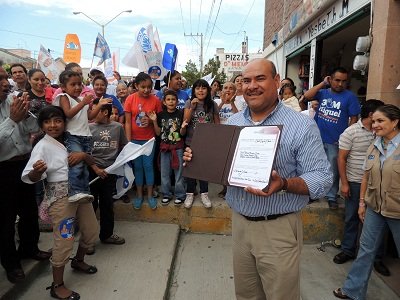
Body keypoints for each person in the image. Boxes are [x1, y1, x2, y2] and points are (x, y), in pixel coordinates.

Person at [184, 59, 332, 300]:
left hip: (278, 228)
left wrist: (283, 184)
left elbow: (322, 179)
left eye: (259, 78)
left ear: (276, 81)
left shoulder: (301, 125)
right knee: (246, 295)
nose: (251, 86)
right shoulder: (233, 123)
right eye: (246, 80)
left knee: (281, 296)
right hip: (240, 224)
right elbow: (222, 169)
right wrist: (198, 158)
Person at [21, 106, 98, 300]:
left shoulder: (73, 140)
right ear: (42, 125)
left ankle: (78, 261)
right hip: (61, 197)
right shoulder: (42, 146)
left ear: (64, 122)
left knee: (91, 230)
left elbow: (89, 159)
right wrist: (37, 171)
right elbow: (29, 175)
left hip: (80, 192)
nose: (53, 125)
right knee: (64, 239)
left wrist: (83, 156)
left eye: (57, 120)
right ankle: (57, 285)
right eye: (48, 122)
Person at [333, 104, 400, 300]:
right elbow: (366, 176)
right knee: (365, 250)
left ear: (395, 122)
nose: (375, 125)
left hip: (397, 210)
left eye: (381, 121)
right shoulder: (375, 144)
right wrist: (362, 203)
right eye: (374, 121)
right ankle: (353, 291)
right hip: (375, 208)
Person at [0, 66, 51, 284]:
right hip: (3, 170)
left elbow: (32, 127)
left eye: (4, 77)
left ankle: (30, 249)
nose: (5, 82)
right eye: (0, 79)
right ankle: (11, 264)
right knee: (5, 220)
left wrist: (28, 113)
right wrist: (12, 120)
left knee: (29, 212)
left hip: (24, 164)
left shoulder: (14, 99)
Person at [304, 67, 361, 209]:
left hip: (335, 141)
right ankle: (313, 194)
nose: (340, 84)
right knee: (313, 167)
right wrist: (323, 83)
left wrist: (346, 137)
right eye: (337, 80)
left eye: (344, 81)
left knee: (333, 170)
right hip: (316, 139)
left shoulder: (350, 97)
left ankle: (331, 196)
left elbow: (354, 117)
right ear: (331, 79)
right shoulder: (323, 93)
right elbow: (308, 96)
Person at [53, 70, 111, 203]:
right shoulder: (63, 97)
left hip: (85, 136)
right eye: (73, 84)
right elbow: (68, 113)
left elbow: (90, 116)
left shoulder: (79, 100)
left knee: (84, 166)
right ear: (63, 86)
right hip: (73, 135)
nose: (78, 87)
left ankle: (84, 191)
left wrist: (99, 105)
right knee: (76, 165)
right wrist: (84, 103)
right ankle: (75, 192)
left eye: (79, 84)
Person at [89, 99, 127, 254]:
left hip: (109, 172)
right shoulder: (88, 128)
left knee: (107, 204)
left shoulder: (118, 128)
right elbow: (84, 152)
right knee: (91, 207)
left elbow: (124, 146)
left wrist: (117, 163)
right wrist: (96, 168)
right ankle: (88, 241)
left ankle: (107, 234)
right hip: (92, 171)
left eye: (95, 109)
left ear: (105, 112)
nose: (91, 113)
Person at [124, 72, 162, 210]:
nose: (146, 90)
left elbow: (158, 120)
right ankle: (139, 196)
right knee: (138, 168)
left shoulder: (156, 100)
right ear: (136, 86)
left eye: (148, 87)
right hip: (134, 141)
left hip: (149, 141)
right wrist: (129, 142)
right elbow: (127, 123)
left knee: (148, 167)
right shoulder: (130, 99)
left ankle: (150, 195)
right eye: (143, 87)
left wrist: (152, 122)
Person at [183, 79, 220, 209]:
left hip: (206, 142)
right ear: (193, 90)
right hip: (190, 141)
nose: (200, 90)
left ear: (208, 90)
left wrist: (215, 141)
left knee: (204, 169)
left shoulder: (213, 104)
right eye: (197, 88)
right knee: (191, 168)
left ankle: (204, 193)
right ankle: (190, 193)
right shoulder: (189, 102)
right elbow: (185, 122)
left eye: (203, 88)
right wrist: (192, 107)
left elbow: (217, 124)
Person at [148, 89, 187, 206]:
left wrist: (183, 127)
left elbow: (182, 133)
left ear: (177, 101)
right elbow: (158, 133)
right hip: (164, 148)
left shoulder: (181, 114)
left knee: (179, 173)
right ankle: (166, 194)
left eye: (173, 99)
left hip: (178, 148)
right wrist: (154, 121)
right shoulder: (160, 115)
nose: (171, 102)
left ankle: (180, 194)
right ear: (164, 102)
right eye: (168, 99)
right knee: (165, 173)